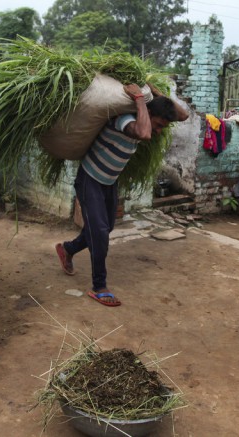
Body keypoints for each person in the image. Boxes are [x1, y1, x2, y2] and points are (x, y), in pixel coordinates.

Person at [55, 82, 189, 306]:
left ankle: (67, 249)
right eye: (158, 124)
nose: (157, 131)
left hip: (108, 183)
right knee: (99, 233)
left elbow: (183, 115)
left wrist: (158, 95)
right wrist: (139, 100)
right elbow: (145, 132)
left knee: (106, 227)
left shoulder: (145, 121)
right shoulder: (124, 121)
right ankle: (99, 287)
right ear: (147, 114)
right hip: (90, 180)